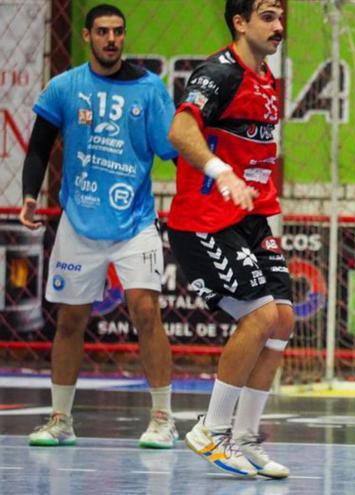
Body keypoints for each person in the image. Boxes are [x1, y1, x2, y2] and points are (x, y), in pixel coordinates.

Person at [20, 4, 177, 449]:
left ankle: (163, 419)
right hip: (79, 222)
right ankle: (60, 419)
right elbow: (37, 148)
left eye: (119, 32)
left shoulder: (149, 89)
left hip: (135, 223)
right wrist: (31, 195)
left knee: (146, 311)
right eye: (103, 31)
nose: (112, 39)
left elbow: (172, 149)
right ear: (87, 36)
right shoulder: (65, 87)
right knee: (69, 320)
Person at [166, 0, 292, 479]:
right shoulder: (219, 72)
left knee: (282, 320)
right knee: (259, 317)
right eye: (267, 16)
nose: (278, 26)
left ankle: (245, 438)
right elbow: (181, 129)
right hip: (205, 219)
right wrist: (221, 173)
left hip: (250, 217)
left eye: (281, 18)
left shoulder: (266, 79)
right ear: (239, 23)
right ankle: (211, 431)